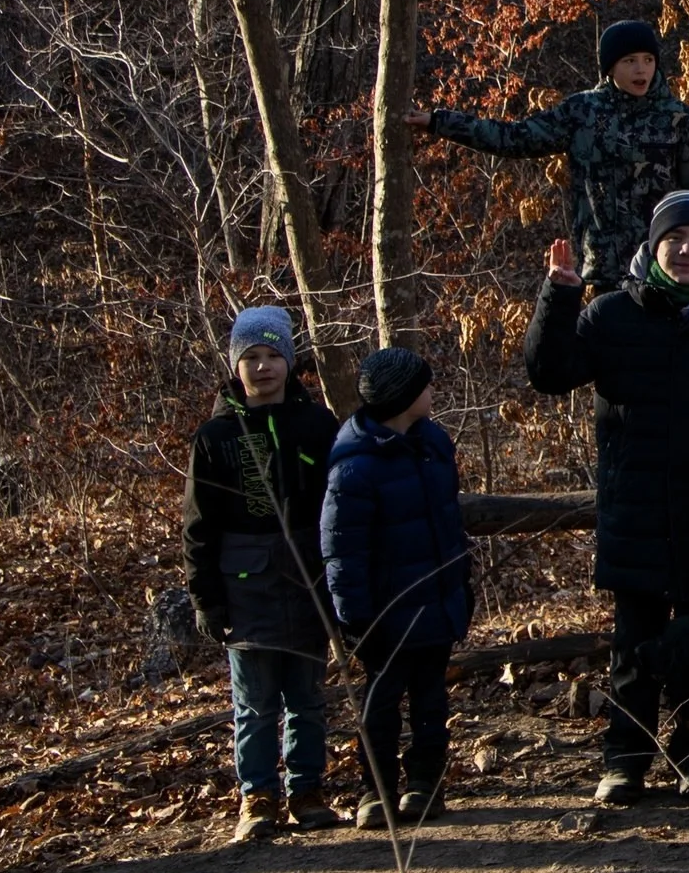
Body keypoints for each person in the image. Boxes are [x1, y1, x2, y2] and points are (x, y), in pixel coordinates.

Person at [524, 191, 689, 806]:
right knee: (634, 646)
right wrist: (559, 296)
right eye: (676, 240)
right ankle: (625, 762)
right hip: (635, 507)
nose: (688, 250)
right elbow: (548, 372)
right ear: (655, 247)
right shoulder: (611, 315)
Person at [183, 307, 338, 842]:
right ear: (235, 365)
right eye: (251, 357)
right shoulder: (214, 437)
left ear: (290, 363)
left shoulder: (318, 425)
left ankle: (307, 791)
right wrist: (207, 599)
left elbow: (338, 510)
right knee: (254, 702)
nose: (264, 367)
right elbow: (198, 527)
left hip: (308, 581)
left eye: (274, 356)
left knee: (307, 697)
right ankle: (257, 797)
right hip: (245, 586)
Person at [412, 18, 689, 283]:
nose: (641, 69)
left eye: (648, 60)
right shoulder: (583, 111)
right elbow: (514, 137)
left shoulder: (678, 118)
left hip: (663, 271)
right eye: (629, 60)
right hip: (602, 272)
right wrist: (439, 122)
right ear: (610, 67)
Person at [323, 348, 474, 829]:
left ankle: (426, 784)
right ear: (404, 397)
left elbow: (450, 527)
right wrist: (356, 618)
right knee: (381, 704)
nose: (432, 392)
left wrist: (459, 589)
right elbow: (341, 550)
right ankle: (377, 790)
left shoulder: (434, 445)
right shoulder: (354, 467)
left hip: (435, 606)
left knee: (432, 701)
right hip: (385, 617)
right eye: (425, 386)